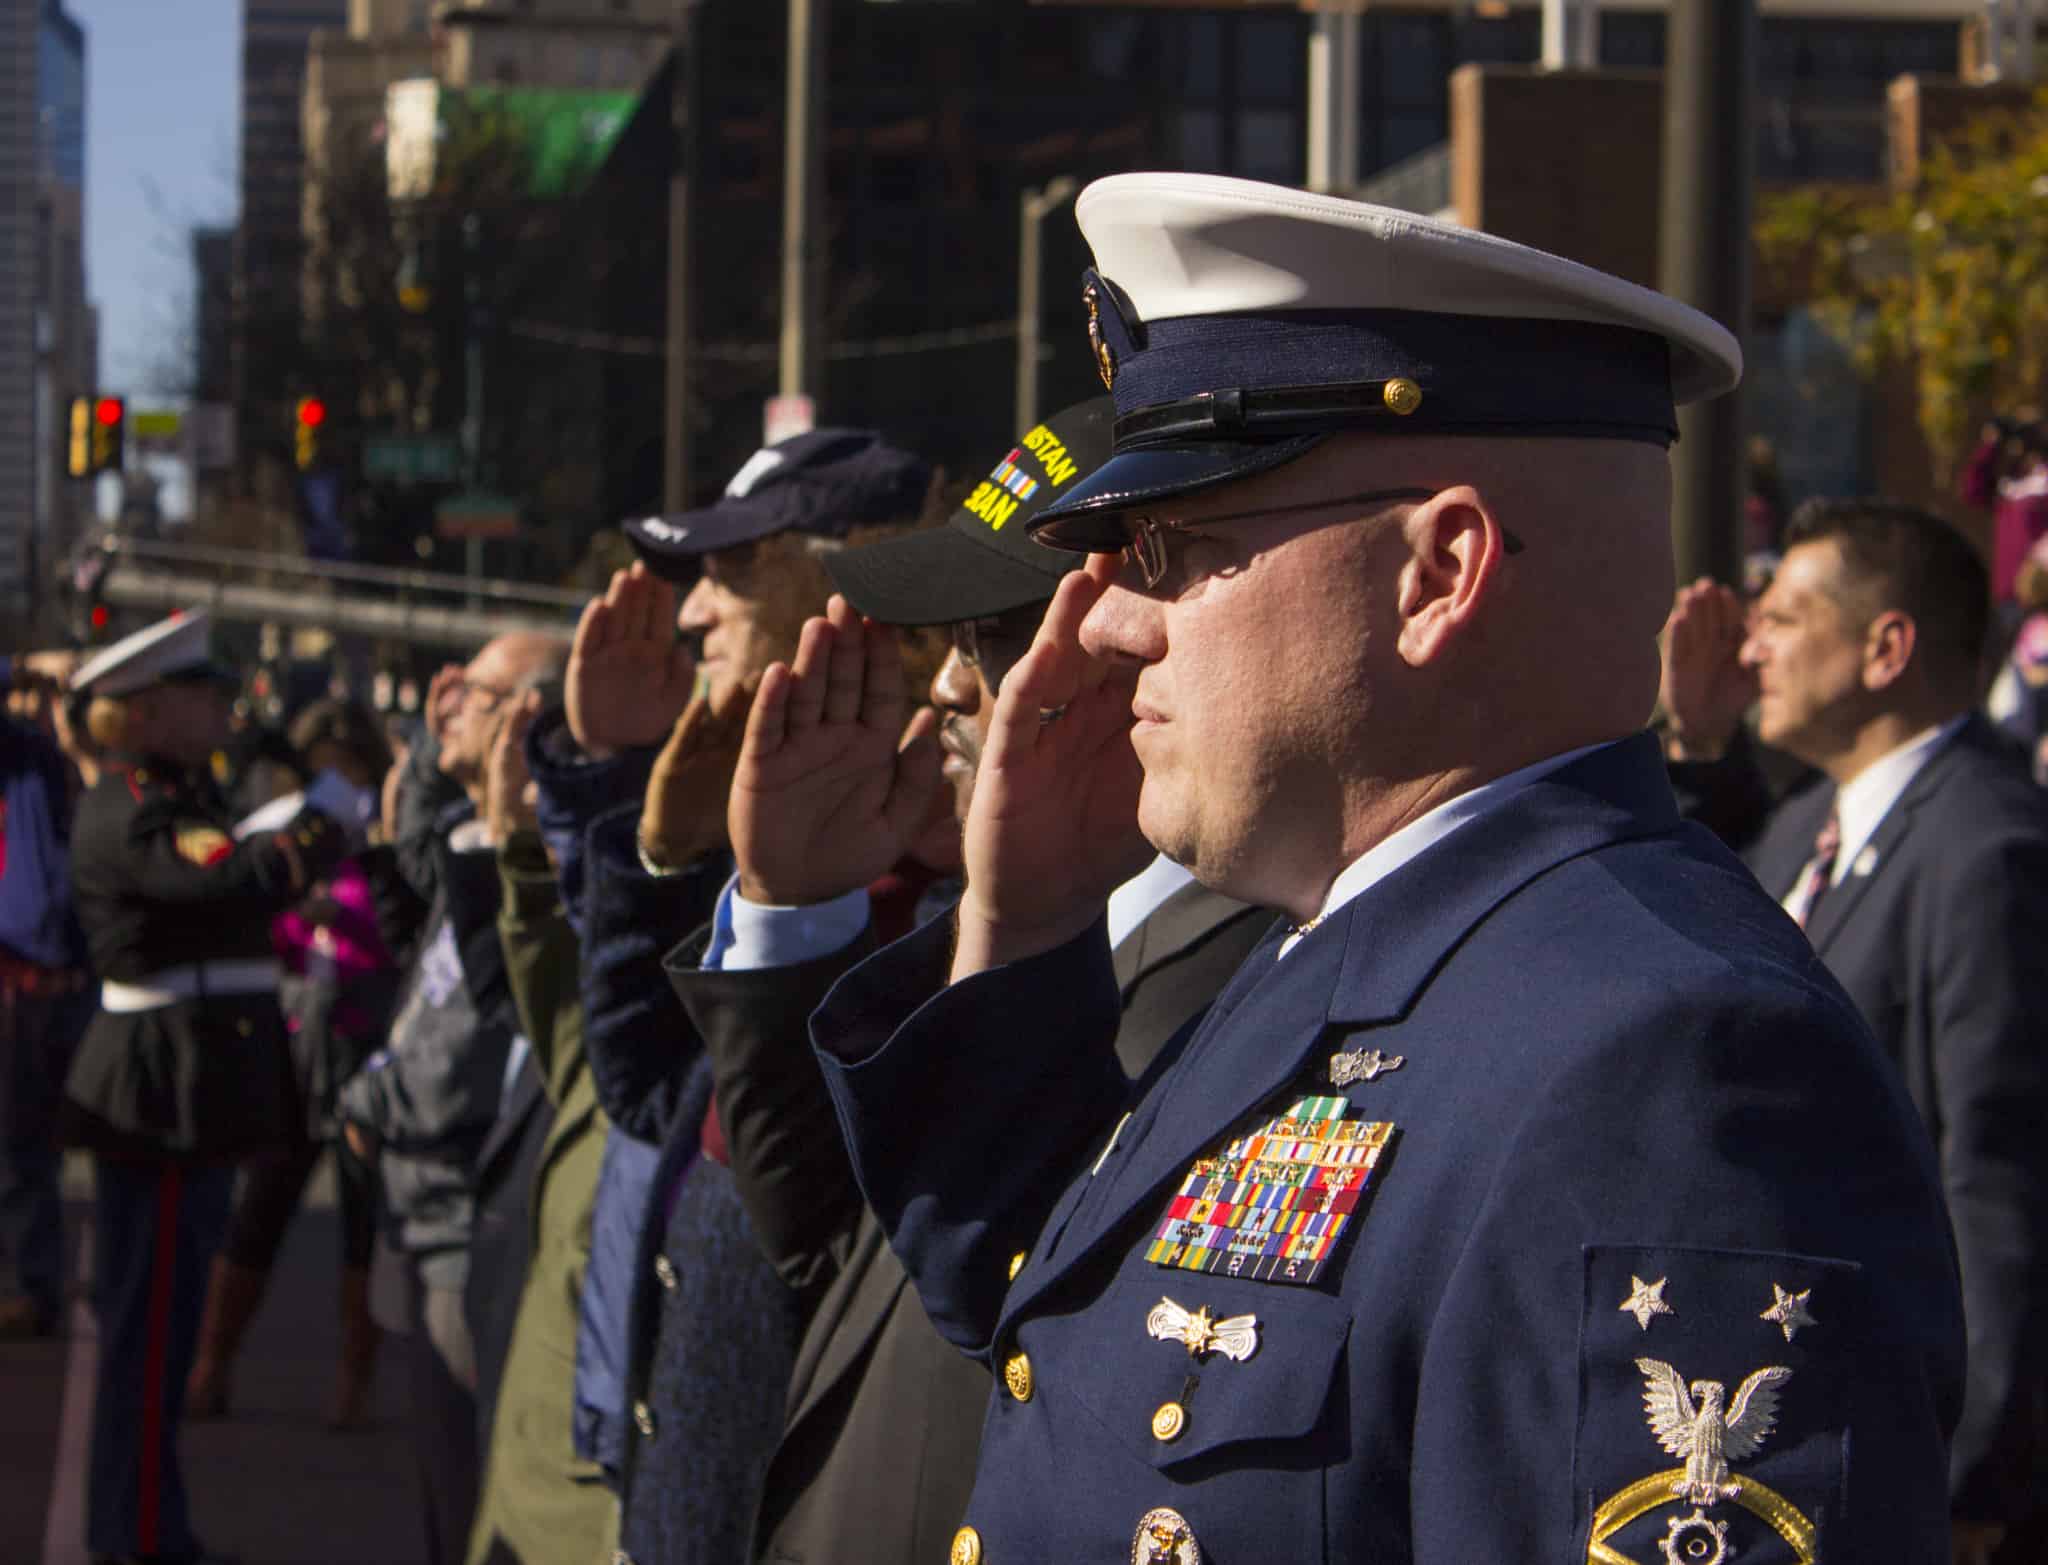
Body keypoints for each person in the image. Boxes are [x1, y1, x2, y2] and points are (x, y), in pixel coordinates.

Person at [796, 174, 1965, 1565]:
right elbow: (1039, 1325)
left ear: (1439, 573)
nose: (1104, 622)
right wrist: (1027, 921)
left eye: (1171, 545)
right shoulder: (1355, 939)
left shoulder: (1671, 1065)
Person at [655, 396, 1270, 1565]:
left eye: (984, 636)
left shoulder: (1247, 973)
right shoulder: (998, 919)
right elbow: (819, 1232)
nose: (941, 686)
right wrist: (793, 904)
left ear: (1115, 644)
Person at [558, 428, 934, 1565]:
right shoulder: (795, 835)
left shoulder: (946, 881)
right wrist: (649, 835)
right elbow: (646, 1098)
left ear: (850, 573)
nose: (690, 613)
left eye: (731, 571)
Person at [1662, 498, 2048, 1565]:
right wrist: (1697, 746)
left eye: (1784, 618)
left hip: (1928, 1465)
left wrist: (1975, 1471)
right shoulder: (1805, 824)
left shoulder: (1987, 845)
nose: (1752, 647)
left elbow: (1999, 1175)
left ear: (1885, 648)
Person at [61, 611, 353, 1565]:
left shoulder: (175, 795)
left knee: (162, 1329)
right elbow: (236, 879)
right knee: (149, 1337)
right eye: (200, 695)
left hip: (185, 1084)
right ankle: (137, 1538)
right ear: (146, 712)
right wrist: (329, 815)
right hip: (161, 1090)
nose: (220, 709)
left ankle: (147, 1527)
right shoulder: (135, 806)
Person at [337, 630, 564, 1565]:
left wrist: (372, 1102)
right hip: (430, 1212)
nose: (450, 704)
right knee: (443, 1482)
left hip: (467, 1220)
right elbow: (423, 880)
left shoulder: (532, 855)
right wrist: (436, 754)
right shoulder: (477, 838)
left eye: (477, 690)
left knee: (469, 1501)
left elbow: (465, 1040)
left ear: (529, 715)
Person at [185, 697, 402, 1428]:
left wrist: (344, 918)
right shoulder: (293, 834)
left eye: (350, 770)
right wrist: (292, 919)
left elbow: (401, 935)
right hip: (297, 1045)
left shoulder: (386, 840)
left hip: (365, 1045)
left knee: (362, 1222)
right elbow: (257, 925)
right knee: (262, 1205)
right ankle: (212, 1364)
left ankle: (354, 1383)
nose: (339, 785)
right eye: (324, 771)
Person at [0, 652, 93, 1340]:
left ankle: (45, 1281)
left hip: (76, 984)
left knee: (57, 1145)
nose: (44, 708)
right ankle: (32, 1286)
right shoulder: (20, 759)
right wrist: (27, 667)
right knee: (21, 1148)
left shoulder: (80, 763)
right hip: (19, 983)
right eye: (34, 697)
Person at [1960, 414, 2048, 609]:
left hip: (2042, 591)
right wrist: (1992, 445)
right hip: (2010, 595)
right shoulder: (2010, 482)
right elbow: (1973, 491)